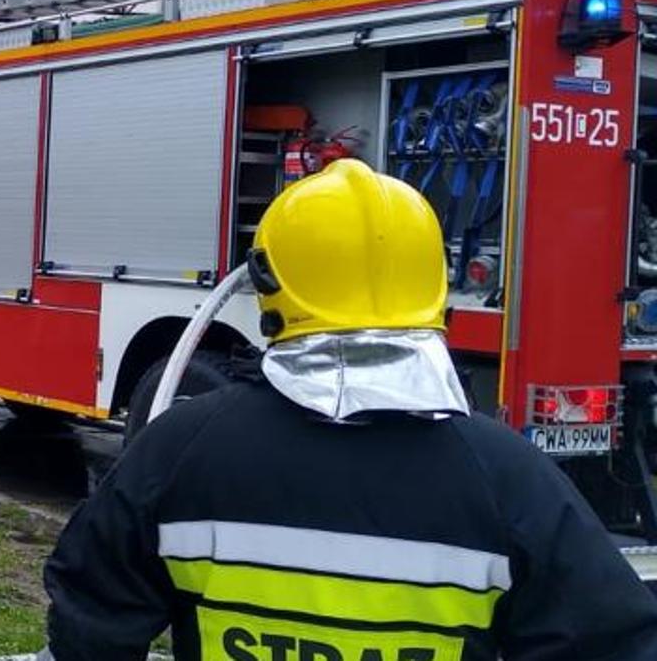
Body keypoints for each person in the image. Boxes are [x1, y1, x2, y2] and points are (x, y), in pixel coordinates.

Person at [42, 159, 657, 661]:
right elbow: (611, 642)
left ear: (269, 284)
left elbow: (90, 625)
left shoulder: (179, 448)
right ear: (434, 288)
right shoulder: (510, 478)